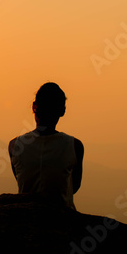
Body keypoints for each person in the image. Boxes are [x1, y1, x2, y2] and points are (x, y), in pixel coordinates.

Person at [8, 82, 84, 210]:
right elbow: (74, 187)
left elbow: (21, 180)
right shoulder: (74, 146)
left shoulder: (15, 146)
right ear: (62, 111)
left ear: (34, 107)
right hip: (63, 221)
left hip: (26, 218)